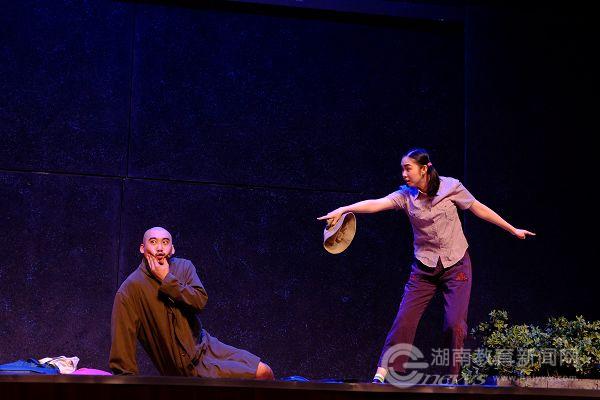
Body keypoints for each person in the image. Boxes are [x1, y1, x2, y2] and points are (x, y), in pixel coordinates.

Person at [317, 148, 535, 384]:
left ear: (424, 168)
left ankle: (452, 379)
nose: (404, 174)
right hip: (424, 269)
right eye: (402, 169)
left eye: (408, 168)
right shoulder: (406, 196)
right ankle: (382, 373)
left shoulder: (451, 187)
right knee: (404, 319)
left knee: (454, 325)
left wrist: (511, 229)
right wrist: (344, 209)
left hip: (456, 265)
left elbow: (478, 207)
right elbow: (376, 204)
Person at [109, 227, 274, 380]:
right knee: (260, 374)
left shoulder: (184, 267)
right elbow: (122, 352)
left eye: (165, 242)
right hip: (186, 368)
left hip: (207, 346)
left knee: (266, 371)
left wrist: (167, 279)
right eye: (153, 242)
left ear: (172, 249)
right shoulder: (130, 290)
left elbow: (200, 302)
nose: (159, 248)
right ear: (142, 248)